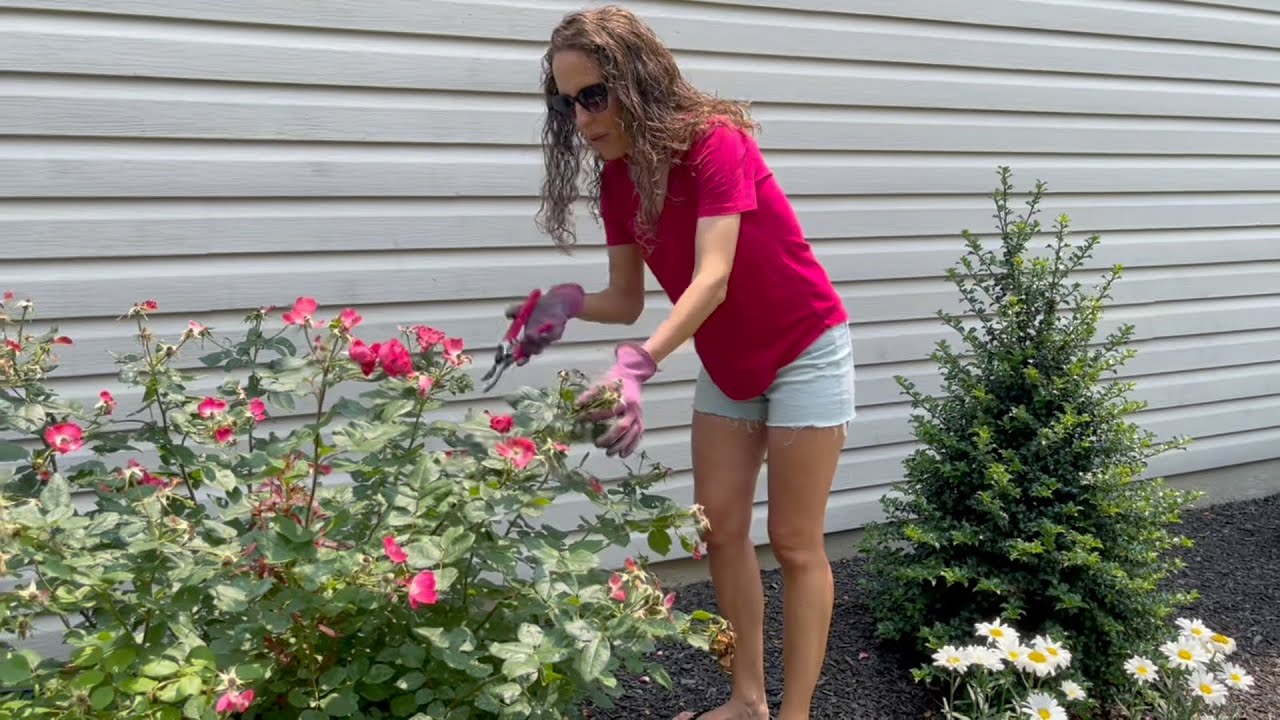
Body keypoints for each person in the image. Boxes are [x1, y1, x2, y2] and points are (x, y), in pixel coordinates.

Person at [508, 6, 856, 720]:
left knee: (794, 542)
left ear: (634, 79)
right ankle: (748, 702)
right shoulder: (616, 180)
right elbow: (629, 298)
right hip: (730, 363)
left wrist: (637, 367)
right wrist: (562, 302)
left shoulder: (713, 143)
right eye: (567, 102)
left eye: (593, 95)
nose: (581, 116)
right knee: (720, 528)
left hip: (805, 347)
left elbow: (713, 276)